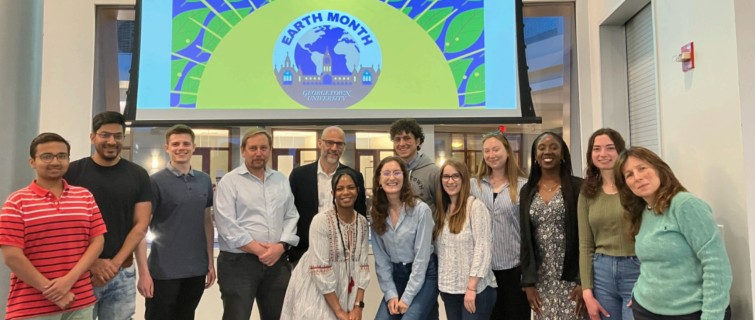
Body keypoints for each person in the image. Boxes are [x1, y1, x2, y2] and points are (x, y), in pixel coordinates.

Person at [614, 147, 732, 320]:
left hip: (690, 312)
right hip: (646, 309)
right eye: (629, 174)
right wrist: (639, 291)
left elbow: (717, 265)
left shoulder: (685, 205)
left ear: (659, 169)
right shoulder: (643, 210)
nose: (637, 177)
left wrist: (712, 315)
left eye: (642, 168)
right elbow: (652, 262)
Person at [0, 133, 107, 319]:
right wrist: (53, 291)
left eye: (62, 156)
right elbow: (12, 257)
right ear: (32, 162)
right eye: (46, 156)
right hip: (31, 307)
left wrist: (68, 281)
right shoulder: (16, 202)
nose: (55, 161)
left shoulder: (84, 196)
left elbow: (97, 241)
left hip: (79, 302)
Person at [64, 111, 152, 320]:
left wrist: (113, 265)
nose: (112, 141)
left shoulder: (138, 175)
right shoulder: (72, 172)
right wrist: (93, 263)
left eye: (118, 136)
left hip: (122, 274)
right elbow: (66, 224)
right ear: (93, 137)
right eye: (105, 135)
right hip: (80, 273)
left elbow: (140, 225)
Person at [214, 128, 300, 320]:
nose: (258, 153)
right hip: (238, 264)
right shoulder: (230, 182)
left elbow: (291, 216)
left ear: (270, 151)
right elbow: (227, 224)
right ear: (243, 151)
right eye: (253, 148)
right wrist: (261, 251)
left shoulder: (280, 180)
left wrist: (280, 247)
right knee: (237, 316)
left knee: (279, 316)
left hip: (277, 264)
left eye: (263, 148)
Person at [135, 124, 216, 319]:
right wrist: (143, 273)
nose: (181, 148)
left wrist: (210, 262)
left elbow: (206, 222)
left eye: (186, 143)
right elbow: (141, 228)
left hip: (196, 270)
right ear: (167, 148)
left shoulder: (204, 180)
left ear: (194, 147)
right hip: (163, 271)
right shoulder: (154, 182)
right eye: (176, 144)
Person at [281, 168, 370, 320]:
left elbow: (363, 267)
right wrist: (339, 311)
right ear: (333, 194)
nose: (345, 192)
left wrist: (358, 306)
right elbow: (320, 270)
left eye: (350, 187)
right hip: (316, 290)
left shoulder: (361, 222)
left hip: (346, 292)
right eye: (340, 188)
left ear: (358, 190)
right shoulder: (321, 221)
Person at [520, 132, 585, 319]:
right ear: (535, 156)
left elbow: (586, 236)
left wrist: (583, 280)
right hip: (541, 278)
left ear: (563, 153)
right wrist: (528, 283)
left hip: (572, 276)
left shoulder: (578, 188)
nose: (547, 151)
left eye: (554, 147)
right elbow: (526, 239)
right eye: (541, 147)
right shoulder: (527, 191)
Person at [577, 129, 638, 320]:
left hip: (636, 269)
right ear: (590, 154)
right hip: (602, 273)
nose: (603, 154)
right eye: (597, 149)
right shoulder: (587, 193)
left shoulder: (635, 186)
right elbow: (585, 245)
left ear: (620, 151)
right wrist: (587, 292)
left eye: (610, 148)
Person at [469, 130, 529, 319]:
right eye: (487, 151)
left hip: (514, 269)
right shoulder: (474, 186)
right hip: (483, 271)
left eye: (496, 149)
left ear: (507, 151)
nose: (491, 155)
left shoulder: (523, 186)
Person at [371, 156, 438, 319]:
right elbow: (381, 260)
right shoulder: (377, 213)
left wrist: (407, 297)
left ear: (404, 178)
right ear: (379, 180)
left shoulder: (421, 210)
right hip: (397, 276)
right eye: (386, 173)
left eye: (396, 173)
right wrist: (391, 294)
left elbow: (421, 259)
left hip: (425, 275)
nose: (392, 178)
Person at [289, 126, 367, 266]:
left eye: (339, 144)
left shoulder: (354, 177)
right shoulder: (299, 176)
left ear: (343, 147)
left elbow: (360, 215)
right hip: (305, 254)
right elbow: (289, 214)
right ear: (320, 143)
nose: (334, 148)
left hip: (342, 257)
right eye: (329, 142)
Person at [434, 159, 497, 320]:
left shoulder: (475, 207)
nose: (450, 181)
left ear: (464, 179)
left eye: (456, 176)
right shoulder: (442, 211)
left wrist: (471, 287)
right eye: (446, 176)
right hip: (450, 290)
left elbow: (483, 249)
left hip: (476, 291)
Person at [389, 118, 440, 211]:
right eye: (397, 139)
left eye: (407, 138)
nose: (402, 143)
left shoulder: (433, 172)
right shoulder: (389, 172)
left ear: (418, 141)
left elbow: (442, 208)